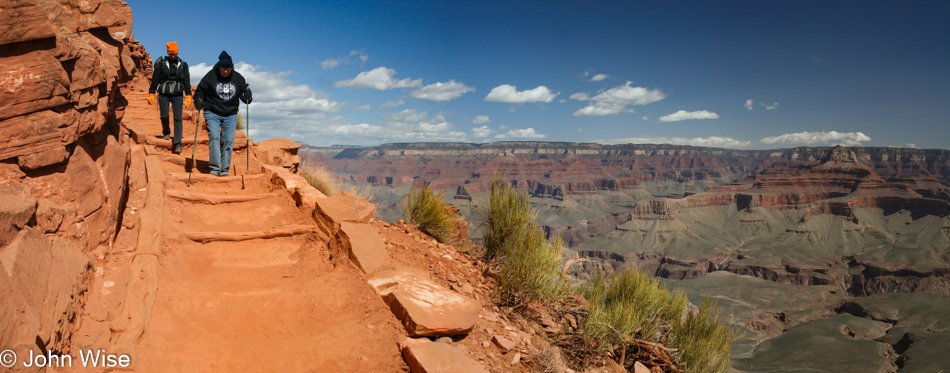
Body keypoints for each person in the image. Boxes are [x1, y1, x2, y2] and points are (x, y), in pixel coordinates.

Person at [194, 51, 252, 176]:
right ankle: (215, 168)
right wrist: (198, 101)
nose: (225, 71)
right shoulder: (210, 76)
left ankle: (224, 168)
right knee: (214, 137)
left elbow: (245, 98)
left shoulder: (238, 78)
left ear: (231, 67)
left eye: (228, 69)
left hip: (230, 113)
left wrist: (248, 96)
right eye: (223, 69)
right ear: (219, 67)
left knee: (228, 140)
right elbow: (199, 91)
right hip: (212, 112)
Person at [148, 41, 192, 154]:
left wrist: (188, 95)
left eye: (174, 54)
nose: (172, 56)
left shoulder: (183, 64)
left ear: (177, 53)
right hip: (164, 92)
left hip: (177, 93)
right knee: (164, 115)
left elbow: (186, 80)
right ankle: (166, 132)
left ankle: (177, 143)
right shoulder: (161, 64)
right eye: (171, 54)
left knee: (178, 117)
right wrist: (151, 92)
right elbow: (156, 78)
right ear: (168, 53)